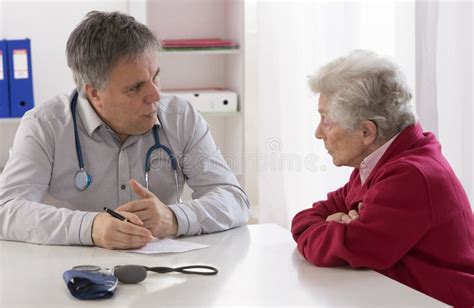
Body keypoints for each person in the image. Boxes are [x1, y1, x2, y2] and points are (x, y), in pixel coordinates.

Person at [0, 11, 249, 250]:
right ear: (94, 93)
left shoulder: (181, 118)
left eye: (156, 77)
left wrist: (174, 218)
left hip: (162, 274)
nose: (155, 95)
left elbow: (234, 199)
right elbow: (7, 209)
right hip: (73, 274)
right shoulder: (44, 126)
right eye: (135, 87)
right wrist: (90, 227)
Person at [291, 50, 474, 306]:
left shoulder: (410, 176)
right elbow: (303, 220)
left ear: (367, 131)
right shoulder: (378, 163)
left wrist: (338, 230)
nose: (318, 133)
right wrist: (338, 226)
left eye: (326, 121)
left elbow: (345, 249)